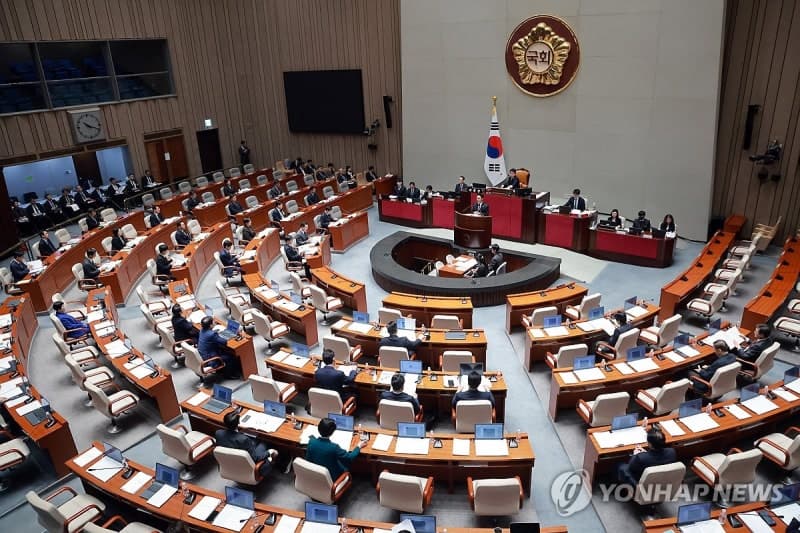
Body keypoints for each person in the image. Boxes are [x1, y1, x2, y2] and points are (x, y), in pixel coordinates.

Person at [215, 411, 279, 477]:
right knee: (264, 443)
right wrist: (270, 452)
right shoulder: (244, 439)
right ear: (238, 423)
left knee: (254, 441)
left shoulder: (218, 433)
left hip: (231, 461)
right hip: (247, 462)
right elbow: (256, 458)